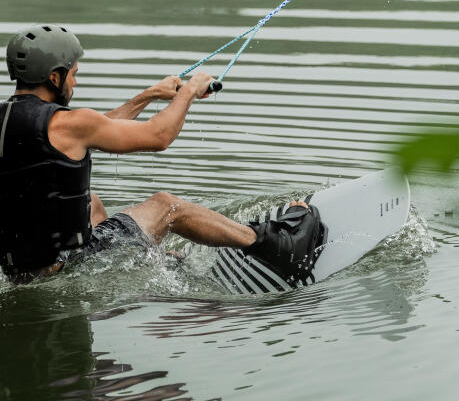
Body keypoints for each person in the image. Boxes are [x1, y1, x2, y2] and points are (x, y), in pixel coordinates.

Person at [0, 24, 323, 283]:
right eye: (73, 74)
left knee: (91, 201)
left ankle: (148, 255)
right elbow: (159, 136)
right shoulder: (70, 123)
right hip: (72, 268)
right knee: (166, 206)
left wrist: (151, 95)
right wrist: (190, 93)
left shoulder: (15, 119)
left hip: (23, 272)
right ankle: (276, 245)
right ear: (54, 77)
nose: (75, 83)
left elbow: (96, 129)